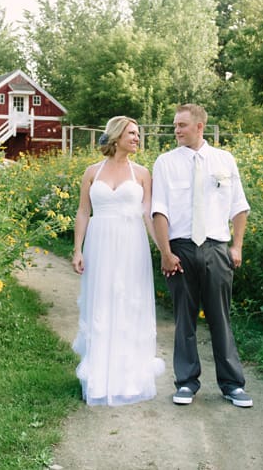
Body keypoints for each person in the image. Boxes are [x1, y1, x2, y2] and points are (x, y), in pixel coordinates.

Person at [151, 103, 253, 408]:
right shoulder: (165, 162)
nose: (176, 131)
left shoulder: (224, 160)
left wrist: (237, 246)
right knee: (184, 319)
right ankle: (186, 382)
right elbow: (159, 210)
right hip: (180, 249)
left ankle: (232, 384)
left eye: (182, 125)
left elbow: (239, 206)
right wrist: (166, 253)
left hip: (217, 248)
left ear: (199, 127)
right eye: (174, 125)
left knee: (220, 318)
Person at [71, 116, 166, 406]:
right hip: (99, 244)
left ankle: (129, 377)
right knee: (101, 303)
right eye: (132, 133)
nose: (137, 138)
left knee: (129, 303)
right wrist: (78, 249)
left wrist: (164, 249)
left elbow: (149, 215)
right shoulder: (91, 172)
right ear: (116, 136)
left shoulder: (142, 173)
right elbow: (83, 212)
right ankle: (99, 379)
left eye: (138, 134)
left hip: (131, 244)